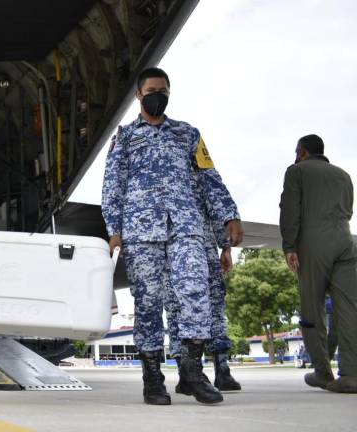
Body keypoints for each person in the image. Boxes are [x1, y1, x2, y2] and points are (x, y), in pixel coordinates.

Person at [101, 67, 242, 406]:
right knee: (148, 305)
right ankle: (152, 379)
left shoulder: (188, 134)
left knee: (195, 293)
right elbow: (112, 186)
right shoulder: (124, 138)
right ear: (138, 94)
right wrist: (114, 230)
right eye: (151, 90)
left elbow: (210, 177)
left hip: (186, 227)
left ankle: (192, 372)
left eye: (163, 90)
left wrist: (229, 216)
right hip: (141, 231)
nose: (157, 95)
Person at [279, 134, 357, 393]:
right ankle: (351, 374)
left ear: (302, 152)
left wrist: (289, 246)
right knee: (348, 309)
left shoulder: (296, 172)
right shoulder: (343, 175)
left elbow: (290, 210)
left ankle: (322, 372)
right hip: (346, 240)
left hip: (314, 242)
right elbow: (349, 209)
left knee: (312, 309)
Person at [166, 196, 242, 393]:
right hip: (175, 248)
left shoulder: (199, 169)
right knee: (177, 309)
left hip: (201, 248)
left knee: (214, 307)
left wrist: (225, 246)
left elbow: (215, 205)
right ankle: (188, 372)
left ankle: (220, 370)